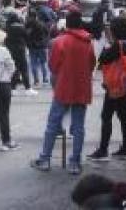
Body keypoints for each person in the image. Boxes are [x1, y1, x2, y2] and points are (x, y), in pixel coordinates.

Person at [31, 10, 96, 175]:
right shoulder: (88, 41)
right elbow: (91, 64)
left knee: (53, 123)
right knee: (79, 126)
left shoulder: (60, 41)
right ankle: (75, 162)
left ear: (67, 24)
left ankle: (45, 159)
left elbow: (53, 66)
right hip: (81, 87)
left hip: (64, 87)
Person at [87, 16, 126, 161]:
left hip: (115, 85)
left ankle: (103, 150)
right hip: (124, 83)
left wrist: (107, 44)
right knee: (122, 116)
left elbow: (103, 60)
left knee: (106, 116)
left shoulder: (117, 45)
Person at [4, 11, 35, 95]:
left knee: (14, 69)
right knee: (24, 69)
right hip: (20, 50)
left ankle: (13, 88)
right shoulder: (21, 27)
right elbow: (27, 37)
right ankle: (28, 88)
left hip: (10, 50)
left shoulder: (7, 27)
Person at [25, 5, 51, 87]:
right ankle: (45, 79)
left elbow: (26, 35)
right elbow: (47, 33)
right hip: (42, 46)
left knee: (33, 63)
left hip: (32, 46)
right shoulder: (41, 24)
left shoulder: (27, 24)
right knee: (43, 63)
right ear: (36, 15)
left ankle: (36, 80)